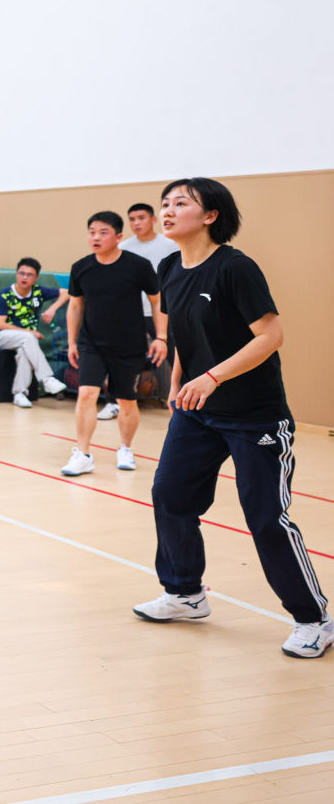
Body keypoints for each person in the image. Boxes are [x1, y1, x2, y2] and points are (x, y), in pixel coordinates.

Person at [131, 177, 331, 656]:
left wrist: (212, 377)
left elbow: (270, 336)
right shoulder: (169, 267)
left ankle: (314, 619)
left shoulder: (235, 268)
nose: (167, 210)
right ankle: (185, 593)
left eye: (181, 203)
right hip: (197, 411)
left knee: (265, 517)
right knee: (171, 495)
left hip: (253, 416)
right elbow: (184, 333)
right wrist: (179, 381)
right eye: (165, 203)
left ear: (210, 215)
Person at [61, 211, 163, 477]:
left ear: (118, 237)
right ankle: (83, 454)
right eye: (92, 232)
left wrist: (161, 337)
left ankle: (126, 448)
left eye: (103, 233)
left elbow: (157, 301)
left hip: (129, 345)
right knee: (86, 394)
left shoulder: (138, 266)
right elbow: (75, 306)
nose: (96, 237)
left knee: (127, 401)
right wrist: (72, 342)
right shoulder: (81, 267)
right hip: (91, 344)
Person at [95, 200, 182, 423]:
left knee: (176, 355)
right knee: (118, 359)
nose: (136, 223)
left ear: (153, 219)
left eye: (141, 218)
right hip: (129, 315)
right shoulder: (123, 247)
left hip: (161, 313)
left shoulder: (170, 245)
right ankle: (113, 402)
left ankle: (185, 400)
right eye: (132, 219)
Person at [0, 257, 72, 407]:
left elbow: (68, 292)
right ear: (16, 274)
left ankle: (20, 394)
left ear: (36, 277)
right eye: (21, 273)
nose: (24, 277)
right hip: (4, 337)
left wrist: (52, 308)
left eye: (29, 275)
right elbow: (1, 324)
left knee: (24, 353)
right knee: (29, 338)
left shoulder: (38, 292)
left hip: (26, 340)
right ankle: (47, 379)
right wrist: (29, 332)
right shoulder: (5, 295)